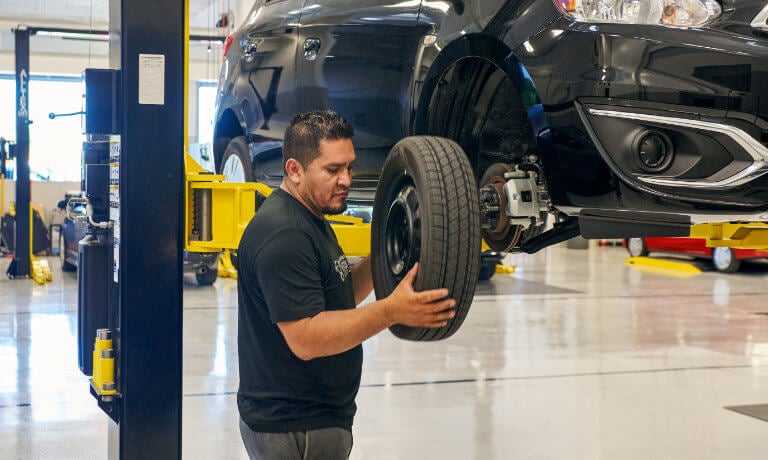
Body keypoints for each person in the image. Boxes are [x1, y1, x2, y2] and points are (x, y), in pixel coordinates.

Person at [236, 110, 456, 459]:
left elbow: (336, 296)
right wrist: (390, 311)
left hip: (312, 418)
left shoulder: (310, 215)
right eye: (332, 170)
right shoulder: (285, 235)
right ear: (294, 170)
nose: (346, 180)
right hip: (295, 428)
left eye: (349, 167)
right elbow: (306, 338)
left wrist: (382, 255)